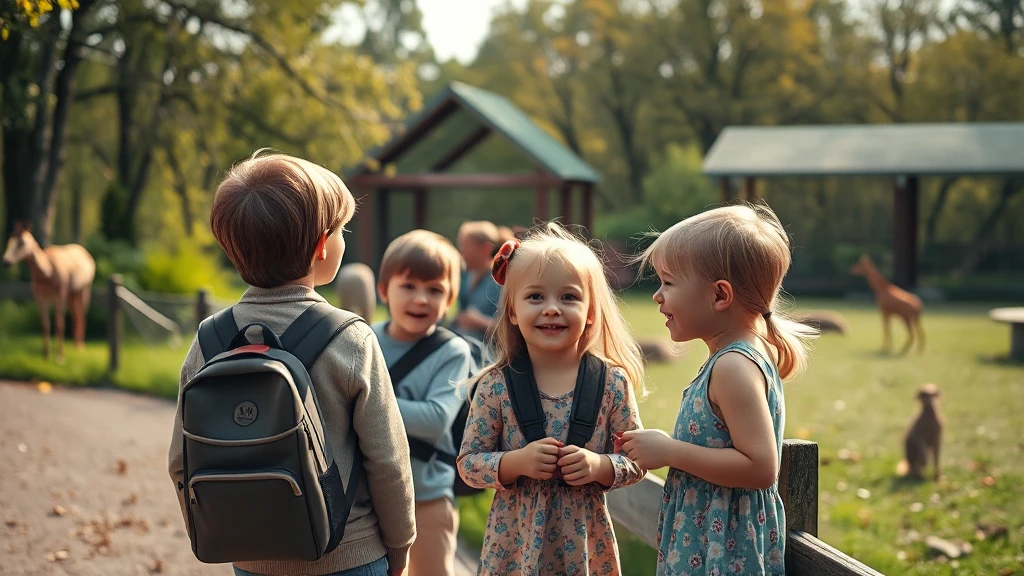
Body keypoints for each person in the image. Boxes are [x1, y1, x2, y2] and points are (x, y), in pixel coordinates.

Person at [167, 151, 416, 576]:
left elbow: (179, 461)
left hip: (250, 559)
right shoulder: (350, 338)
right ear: (322, 246)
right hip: (348, 553)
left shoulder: (208, 340)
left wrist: (235, 532)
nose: (344, 238)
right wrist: (400, 546)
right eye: (341, 230)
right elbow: (388, 460)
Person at [620, 203, 818, 576]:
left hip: (724, 554)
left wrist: (669, 451)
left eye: (668, 282)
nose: (657, 296)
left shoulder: (733, 367)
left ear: (720, 295)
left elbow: (760, 467)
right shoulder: (730, 360)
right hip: (709, 542)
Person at [457, 222, 647, 575]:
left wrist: (599, 466)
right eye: (535, 297)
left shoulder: (611, 384)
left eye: (569, 297)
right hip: (514, 549)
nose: (552, 309)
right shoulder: (495, 387)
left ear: (591, 312)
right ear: (512, 311)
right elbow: (469, 463)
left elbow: (635, 460)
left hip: (585, 550)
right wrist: (517, 462)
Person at [371, 229, 474, 576]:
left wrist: (364, 403)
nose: (421, 300)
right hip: (366, 499)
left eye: (435, 290)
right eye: (409, 286)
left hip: (427, 497)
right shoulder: (362, 339)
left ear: (450, 300)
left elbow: (434, 420)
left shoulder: (452, 352)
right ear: (384, 289)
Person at [452, 221, 503, 341]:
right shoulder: (465, 277)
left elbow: (511, 331)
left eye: (466, 248)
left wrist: (478, 321)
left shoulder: (501, 282)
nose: (461, 254)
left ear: (486, 249)